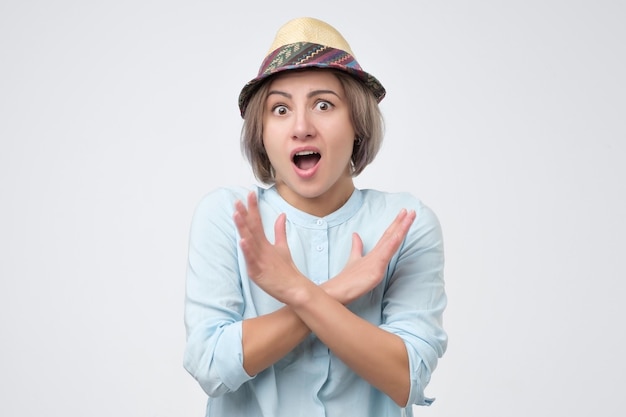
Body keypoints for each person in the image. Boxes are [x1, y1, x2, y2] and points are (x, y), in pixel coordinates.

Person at [183, 17, 447, 417]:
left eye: (324, 105)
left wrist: (298, 291)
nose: (301, 127)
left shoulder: (404, 224)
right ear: (261, 132)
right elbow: (211, 367)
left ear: (357, 122)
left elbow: (406, 378)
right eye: (280, 109)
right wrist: (338, 290)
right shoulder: (228, 216)